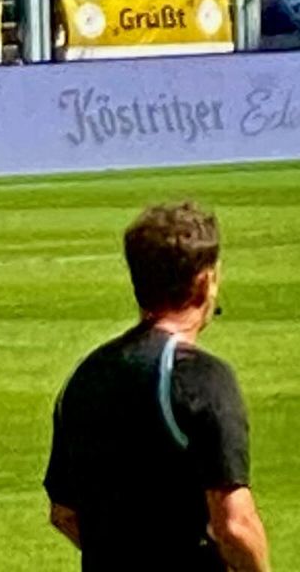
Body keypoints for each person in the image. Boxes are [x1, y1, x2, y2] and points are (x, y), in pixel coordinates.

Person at [45, 202, 271, 572]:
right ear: (204, 282)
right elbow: (234, 524)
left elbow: (64, 513)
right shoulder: (200, 377)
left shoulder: (84, 376)